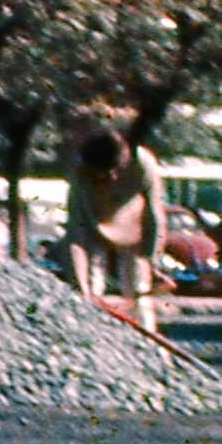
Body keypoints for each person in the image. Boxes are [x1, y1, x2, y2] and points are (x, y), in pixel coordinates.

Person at [66, 124, 166, 336]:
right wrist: (82, 284)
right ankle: (89, 339)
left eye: (115, 172)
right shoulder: (80, 172)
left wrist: (152, 259)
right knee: (90, 291)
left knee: (140, 292)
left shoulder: (143, 163)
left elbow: (154, 215)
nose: (111, 179)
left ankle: (149, 346)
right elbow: (77, 229)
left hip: (133, 228)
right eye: (102, 175)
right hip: (95, 223)